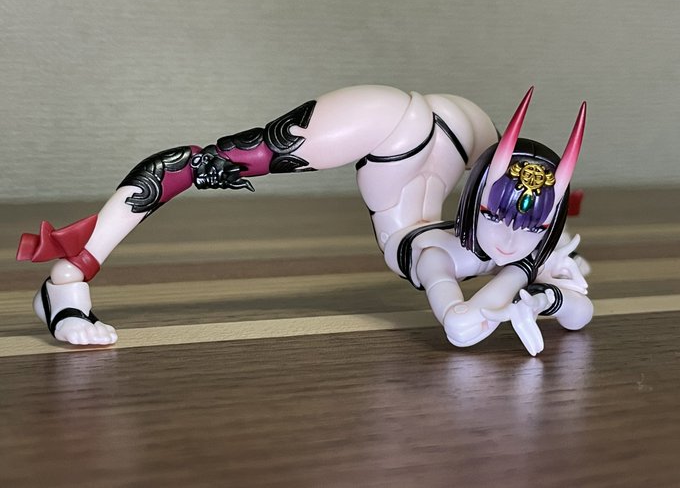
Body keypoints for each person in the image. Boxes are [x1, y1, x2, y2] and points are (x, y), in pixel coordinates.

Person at [17, 85, 592, 355]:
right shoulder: (445, 255)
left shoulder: (511, 237)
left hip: (461, 132)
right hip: (405, 128)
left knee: (205, 163)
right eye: (508, 221)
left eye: (533, 230)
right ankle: (64, 283)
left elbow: (531, 241)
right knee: (203, 164)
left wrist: (543, 279)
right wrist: (533, 285)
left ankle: (66, 280)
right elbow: (464, 318)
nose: (514, 239)